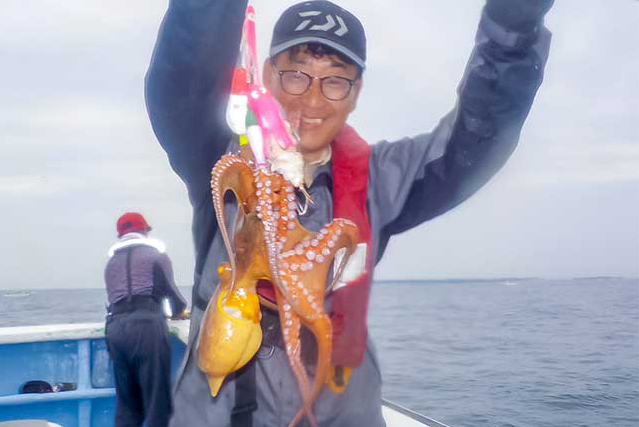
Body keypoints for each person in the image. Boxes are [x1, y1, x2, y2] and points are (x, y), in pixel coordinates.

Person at [145, 1, 553, 426]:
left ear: (355, 92)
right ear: (268, 75)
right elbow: (181, 88)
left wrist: (512, 27)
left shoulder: (379, 180)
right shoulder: (222, 160)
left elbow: (476, 140)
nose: (313, 99)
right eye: (296, 74)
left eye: (336, 81)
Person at [104, 212, 189, 427]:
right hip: (146, 327)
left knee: (127, 403)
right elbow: (172, 296)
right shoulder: (155, 256)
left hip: (115, 328)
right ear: (144, 231)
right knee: (156, 401)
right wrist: (179, 313)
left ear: (120, 235)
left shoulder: (111, 263)